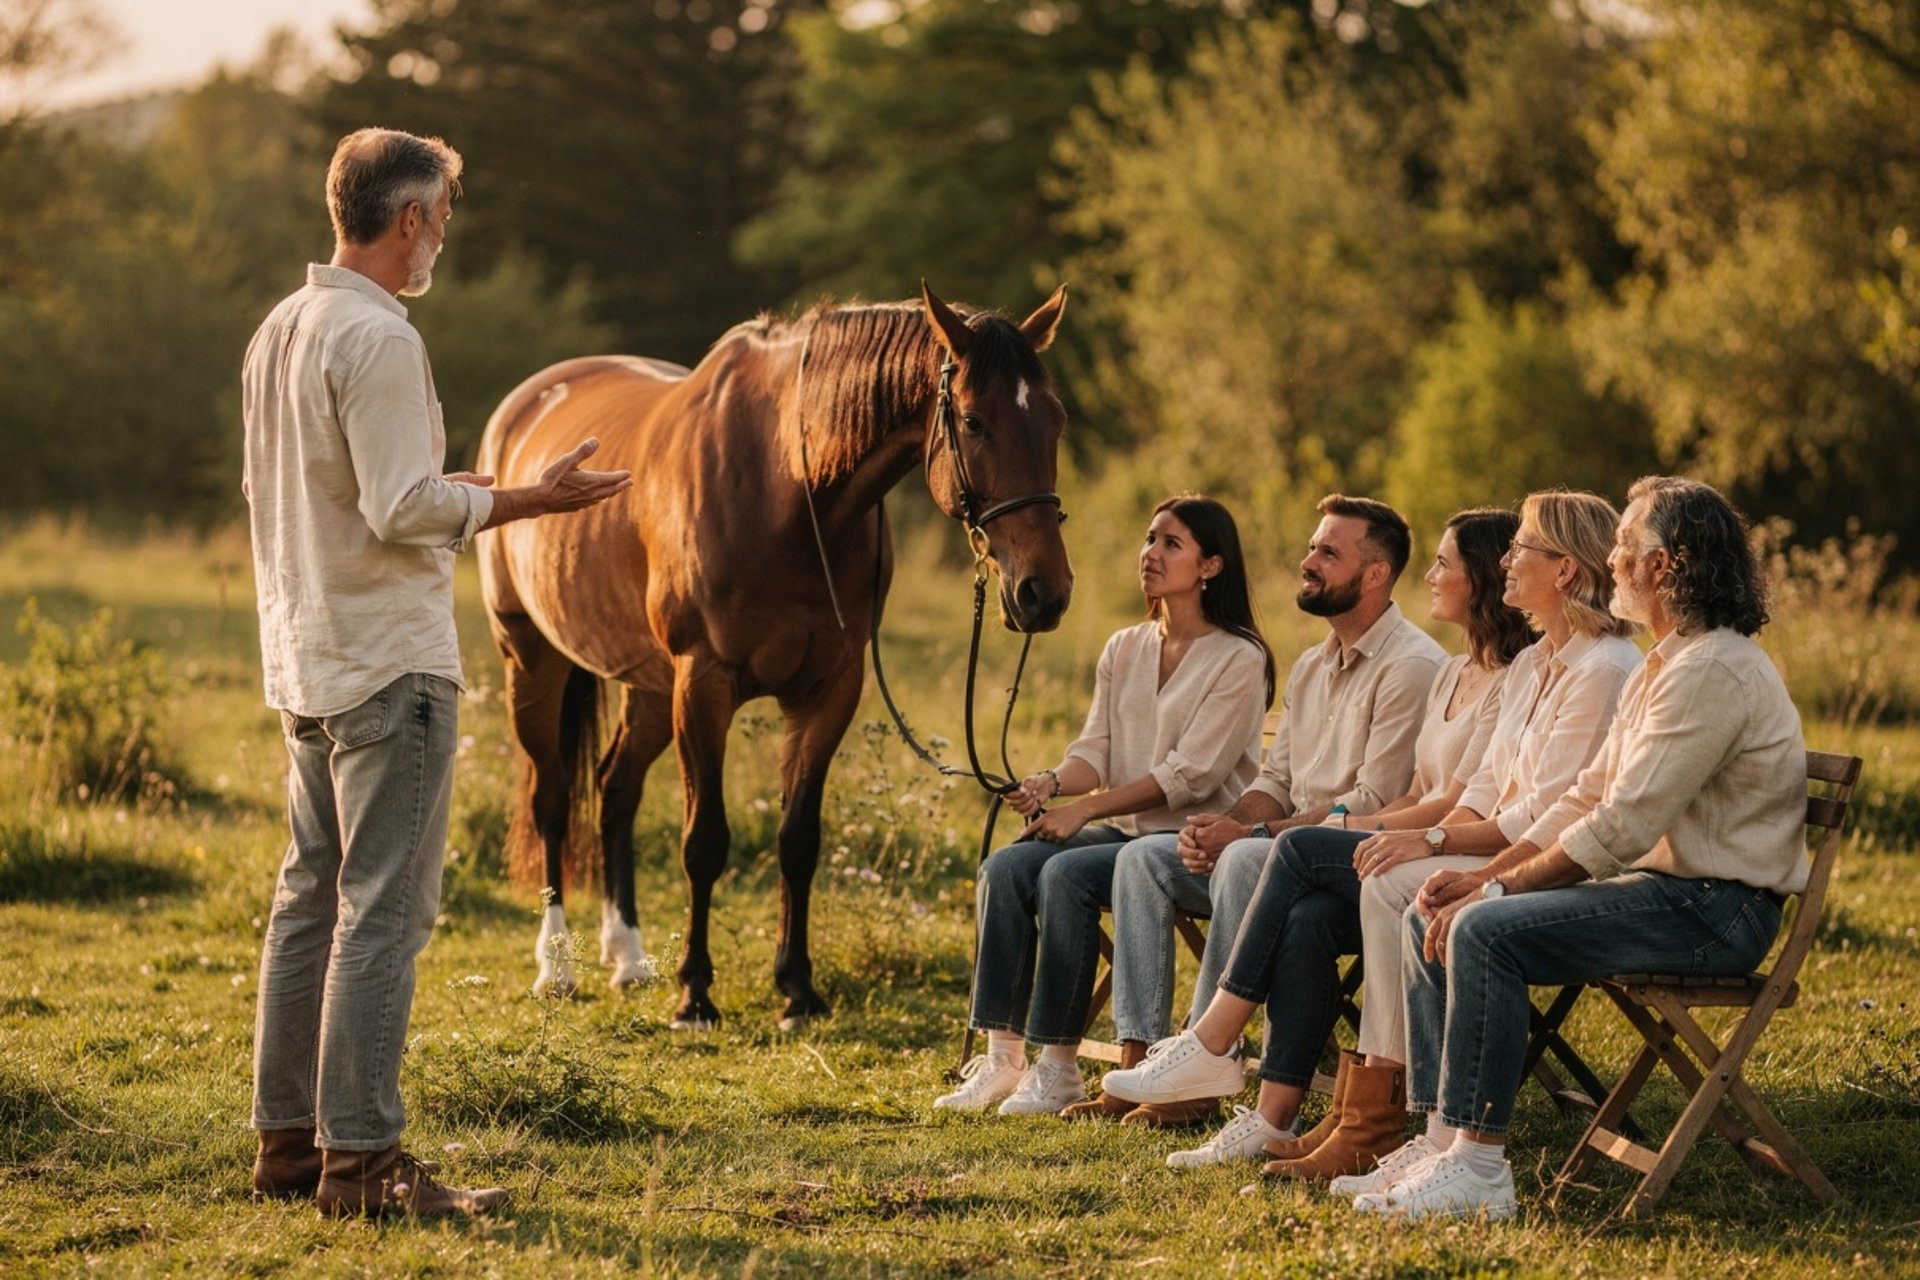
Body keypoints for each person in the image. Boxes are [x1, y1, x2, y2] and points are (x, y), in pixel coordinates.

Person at [243, 128, 632, 1219]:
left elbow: (323, 490)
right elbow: (395, 509)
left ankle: (289, 1144)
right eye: (444, 222)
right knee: (384, 913)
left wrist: (454, 484)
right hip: (383, 659)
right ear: (408, 218)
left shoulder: (281, 327)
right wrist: (522, 500)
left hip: (307, 653)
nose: (443, 243)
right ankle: (362, 1163)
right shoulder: (378, 336)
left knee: (307, 901)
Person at [1353, 476, 1803, 1222]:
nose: (1615, 558)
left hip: (1716, 911)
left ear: (1667, 565)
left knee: (1487, 932)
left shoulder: (1711, 670)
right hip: (1670, 893)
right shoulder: (1668, 661)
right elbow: (1584, 798)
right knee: (1446, 910)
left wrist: (1496, 893)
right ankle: (1442, 1143)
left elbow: (1620, 827)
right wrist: (1485, 876)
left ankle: (1479, 1167)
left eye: (1627, 545)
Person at [1094, 509, 1531, 1164]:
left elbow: (1447, 801)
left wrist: (1332, 828)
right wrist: (1243, 822)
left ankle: (1212, 1045)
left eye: (1445, 565)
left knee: (1282, 852)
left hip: (1452, 854)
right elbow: (1398, 790)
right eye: (1312, 548)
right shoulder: (1446, 673)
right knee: (1299, 921)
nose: (1432, 576)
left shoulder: (1448, 670)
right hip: (1389, 843)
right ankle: (1277, 1113)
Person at [933, 495, 1275, 1115]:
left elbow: (1190, 776)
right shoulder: (1125, 646)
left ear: (1211, 566)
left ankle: (1059, 1063)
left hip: (1189, 845)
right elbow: (1096, 749)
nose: (1151, 553)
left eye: (1172, 544)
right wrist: (1050, 783)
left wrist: (1084, 810)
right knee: (1006, 869)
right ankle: (1003, 1058)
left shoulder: (1239, 658)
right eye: (1150, 538)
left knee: (1065, 871)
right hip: (1123, 834)